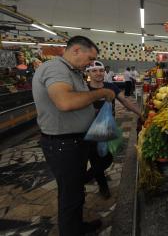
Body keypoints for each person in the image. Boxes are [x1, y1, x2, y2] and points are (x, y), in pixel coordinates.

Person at [32, 36, 116, 236]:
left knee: (76, 190)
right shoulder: (55, 69)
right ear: (76, 50)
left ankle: (77, 227)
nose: (91, 63)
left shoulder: (73, 71)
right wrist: (101, 93)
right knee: (70, 197)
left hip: (76, 140)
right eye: (90, 58)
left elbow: (77, 102)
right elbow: (65, 102)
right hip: (62, 144)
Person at [85, 61, 142, 198]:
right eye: (94, 71)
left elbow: (125, 101)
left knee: (106, 159)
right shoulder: (84, 89)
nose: (98, 73)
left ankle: (86, 181)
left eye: (101, 70)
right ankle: (102, 186)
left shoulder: (110, 86)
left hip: (107, 130)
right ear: (88, 73)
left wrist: (140, 113)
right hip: (89, 131)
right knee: (97, 160)